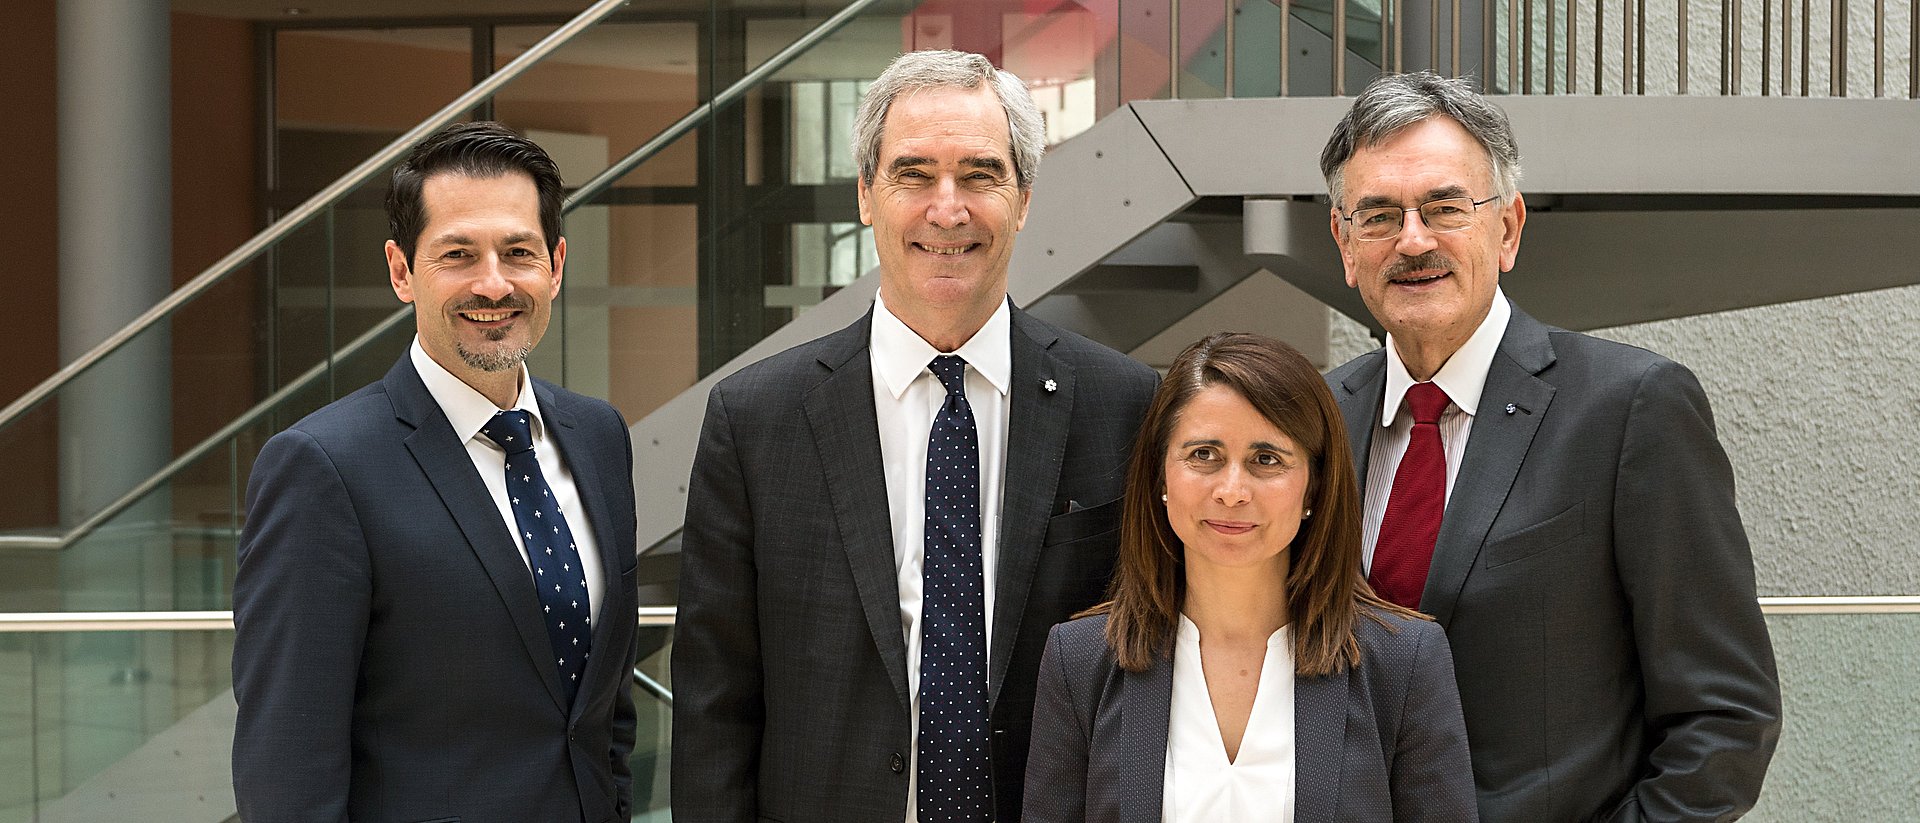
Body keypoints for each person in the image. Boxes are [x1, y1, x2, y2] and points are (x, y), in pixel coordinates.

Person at [672, 49, 1160, 823]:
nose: (947, 207)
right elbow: (714, 711)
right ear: (866, 194)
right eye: (913, 173)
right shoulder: (755, 419)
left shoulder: (1125, 406)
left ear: (1024, 196)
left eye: (979, 174)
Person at [1319, 72, 1782, 822]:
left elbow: (1725, 719)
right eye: (1377, 215)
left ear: (1507, 229)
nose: (1412, 239)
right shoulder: (1314, 423)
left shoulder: (1630, 410)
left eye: (1445, 206)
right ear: (1344, 243)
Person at [231, 121, 640, 823]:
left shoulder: (598, 435)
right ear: (400, 270)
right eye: (458, 253)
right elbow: (287, 764)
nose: (493, 282)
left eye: (518, 251)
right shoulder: (322, 469)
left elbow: (602, 713)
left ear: (558, 264)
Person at [1022, 332, 1476, 823]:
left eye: (1267, 459)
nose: (1232, 491)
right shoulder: (1081, 659)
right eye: (1203, 455)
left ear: (1313, 487)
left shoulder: (1404, 661)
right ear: (1160, 478)